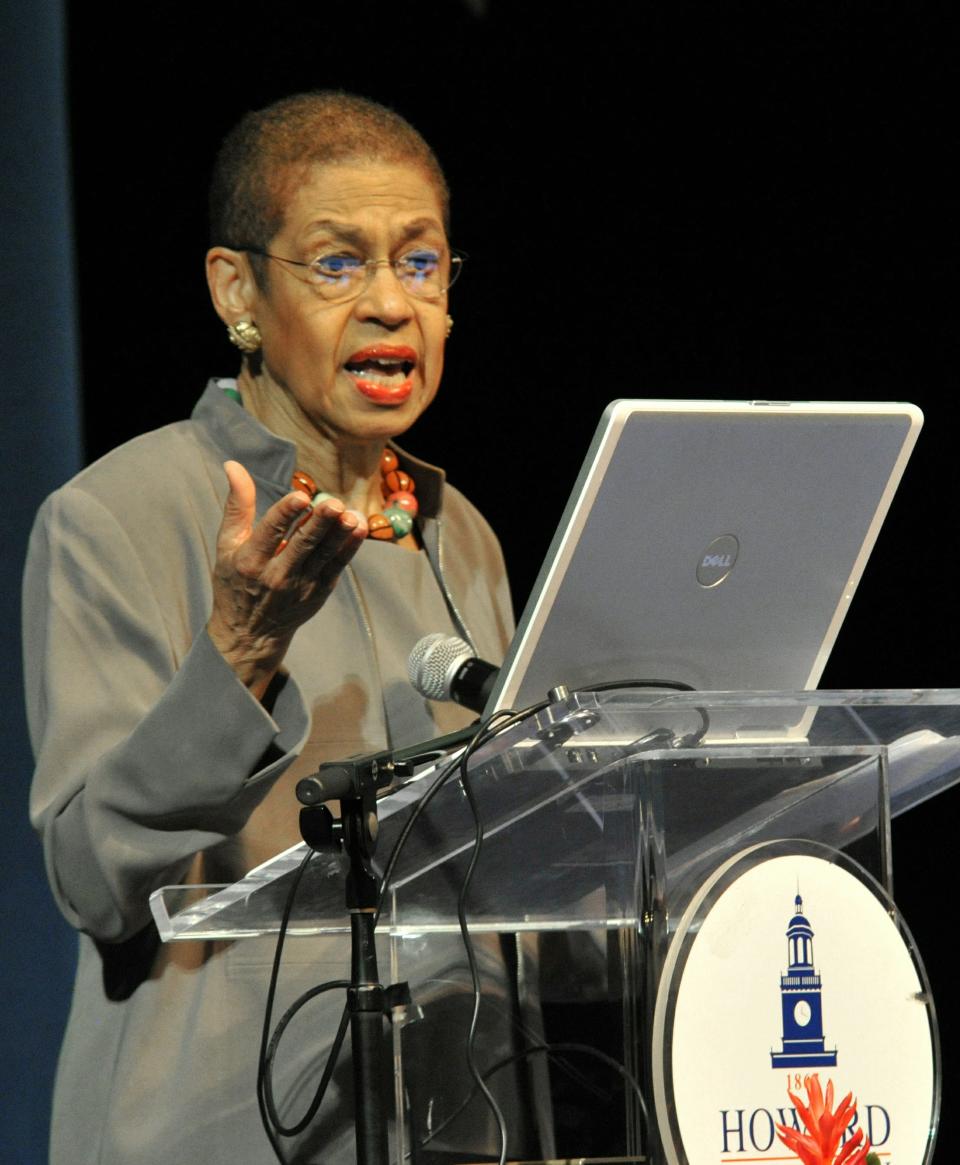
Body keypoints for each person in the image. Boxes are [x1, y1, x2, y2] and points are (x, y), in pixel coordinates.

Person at [25, 92, 515, 1165]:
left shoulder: (459, 534)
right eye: (339, 264)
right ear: (237, 291)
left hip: (445, 1130)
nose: (393, 305)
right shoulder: (120, 515)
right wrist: (239, 653)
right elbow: (89, 870)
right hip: (211, 1133)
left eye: (422, 264)